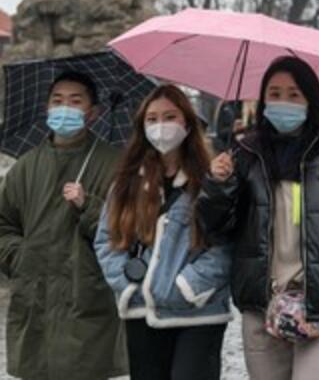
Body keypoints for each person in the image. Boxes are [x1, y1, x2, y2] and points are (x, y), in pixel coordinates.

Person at [198, 57, 319, 380]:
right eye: (275, 93)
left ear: (311, 101)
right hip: (262, 305)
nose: (283, 102)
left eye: (294, 94)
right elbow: (215, 228)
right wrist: (219, 185)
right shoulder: (244, 158)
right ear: (263, 100)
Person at [0, 71, 127, 380]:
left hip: (87, 296)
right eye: (58, 100)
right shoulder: (27, 165)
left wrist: (88, 206)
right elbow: (1, 222)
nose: (65, 107)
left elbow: (125, 228)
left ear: (93, 112)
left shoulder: (114, 163)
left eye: (75, 101)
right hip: (36, 296)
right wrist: (18, 257)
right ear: (47, 108)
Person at [95, 85, 233, 380]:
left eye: (170, 117)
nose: (161, 126)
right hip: (142, 312)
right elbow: (106, 240)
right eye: (152, 119)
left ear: (186, 122)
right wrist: (129, 286)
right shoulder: (126, 182)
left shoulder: (210, 179)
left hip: (198, 312)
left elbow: (226, 243)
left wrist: (186, 287)